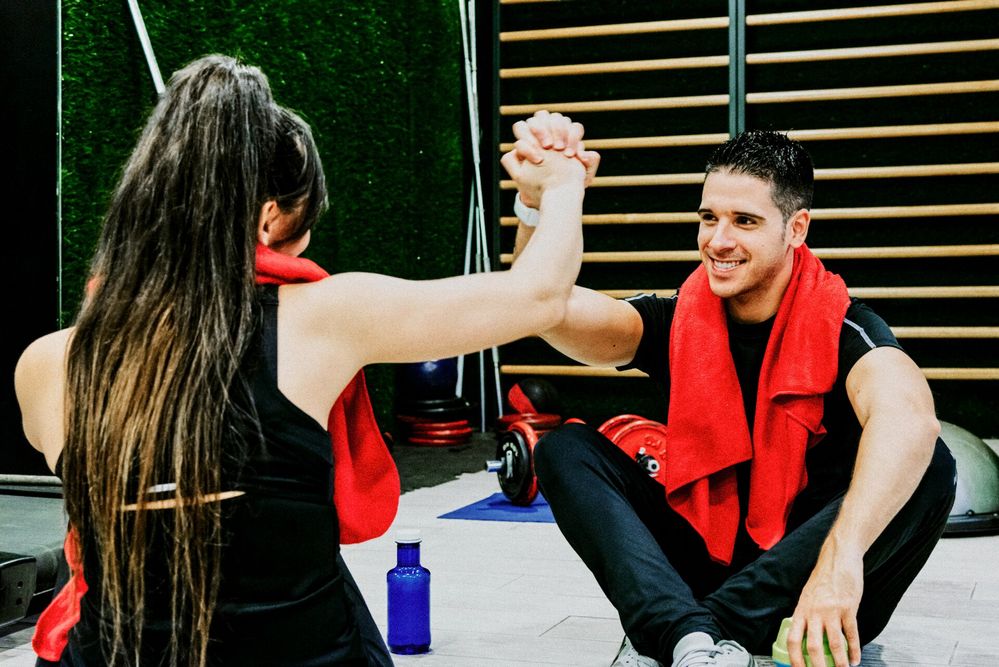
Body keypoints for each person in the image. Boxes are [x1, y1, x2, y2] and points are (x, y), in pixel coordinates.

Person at [14, 55, 599, 666]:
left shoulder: (48, 364)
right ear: (268, 220)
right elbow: (538, 296)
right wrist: (555, 188)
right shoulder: (323, 318)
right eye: (305, 225)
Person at [508, 118, 956, 667]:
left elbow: (911, 419)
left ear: (796, 228)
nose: (718, 241)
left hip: (812, 590)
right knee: (564, 448)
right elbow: (540, 305)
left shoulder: (846, 328)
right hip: (702, 562)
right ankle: (694, 640)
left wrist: (839, 562)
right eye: (708, 218)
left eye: (744, 221)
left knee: (929, 464)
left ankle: (688, 633)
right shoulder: (677, 319)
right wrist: (538, 206)